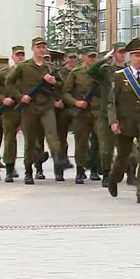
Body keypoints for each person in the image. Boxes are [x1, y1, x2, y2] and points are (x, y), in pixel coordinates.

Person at [106, 37, 140, 204]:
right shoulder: (119, 76)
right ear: (130, 56)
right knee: (122, 157)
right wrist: (113, 121)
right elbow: (111, 101)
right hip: (125, 123)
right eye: (137, 55)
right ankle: (114, 178)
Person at [7, 37, 67, 184]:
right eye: (38, 47)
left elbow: (62, 85)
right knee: (30, 141)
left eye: (43, 47)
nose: (41, 50)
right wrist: (20, 97)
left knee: (53, 136)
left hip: (46, 106)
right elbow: (9, 82)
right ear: (33, 48)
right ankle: (28, 171)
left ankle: (59, 163)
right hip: (29, 108)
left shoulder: (50, 68)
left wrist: (54, 82)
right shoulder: (24, 67)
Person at [89, 42, 128, 187]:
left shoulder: (128, 71)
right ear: (114, 53)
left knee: (128, 148)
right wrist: (104, 59)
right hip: (107, 113)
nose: (122, 55)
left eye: (124, 52)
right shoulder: (106, 70)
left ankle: (129, 173)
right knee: (107, 148)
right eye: (119, 52)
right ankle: (106, 173)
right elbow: (91, 71)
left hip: (124, 114)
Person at [61, 48, 102, 184]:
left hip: (97, 111)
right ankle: (80, 170)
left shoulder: (101, 73)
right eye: (90, 57)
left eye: (94, 57)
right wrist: (76, 103)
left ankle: (96, 170)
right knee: (81, 143)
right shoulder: (76, 73)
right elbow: (65, 93)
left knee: (99, 141)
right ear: (83, 57)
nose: (92, 59)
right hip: (81, 113)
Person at [0, 46, 25, 182]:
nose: (20, 57)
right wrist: (2, 99)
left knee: (18, 139)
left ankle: (22, 167)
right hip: (5, 111)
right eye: (17, 55)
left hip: (23, 110)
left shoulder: (27, 72)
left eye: (22, 55)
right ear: (12, 57)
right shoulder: (4, 72)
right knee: (1, 141)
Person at [56, 48, 79, 170]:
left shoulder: (79, 72)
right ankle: (61, 163)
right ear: (65, 58)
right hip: (62, 109)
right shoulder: (59, 73)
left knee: (81, 135)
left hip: (75, 108)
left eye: (74, 57)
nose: (72, 60)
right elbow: (56, 89)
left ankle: (84, 163)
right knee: (61, 138)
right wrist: (57, 100)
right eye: (70, 57)